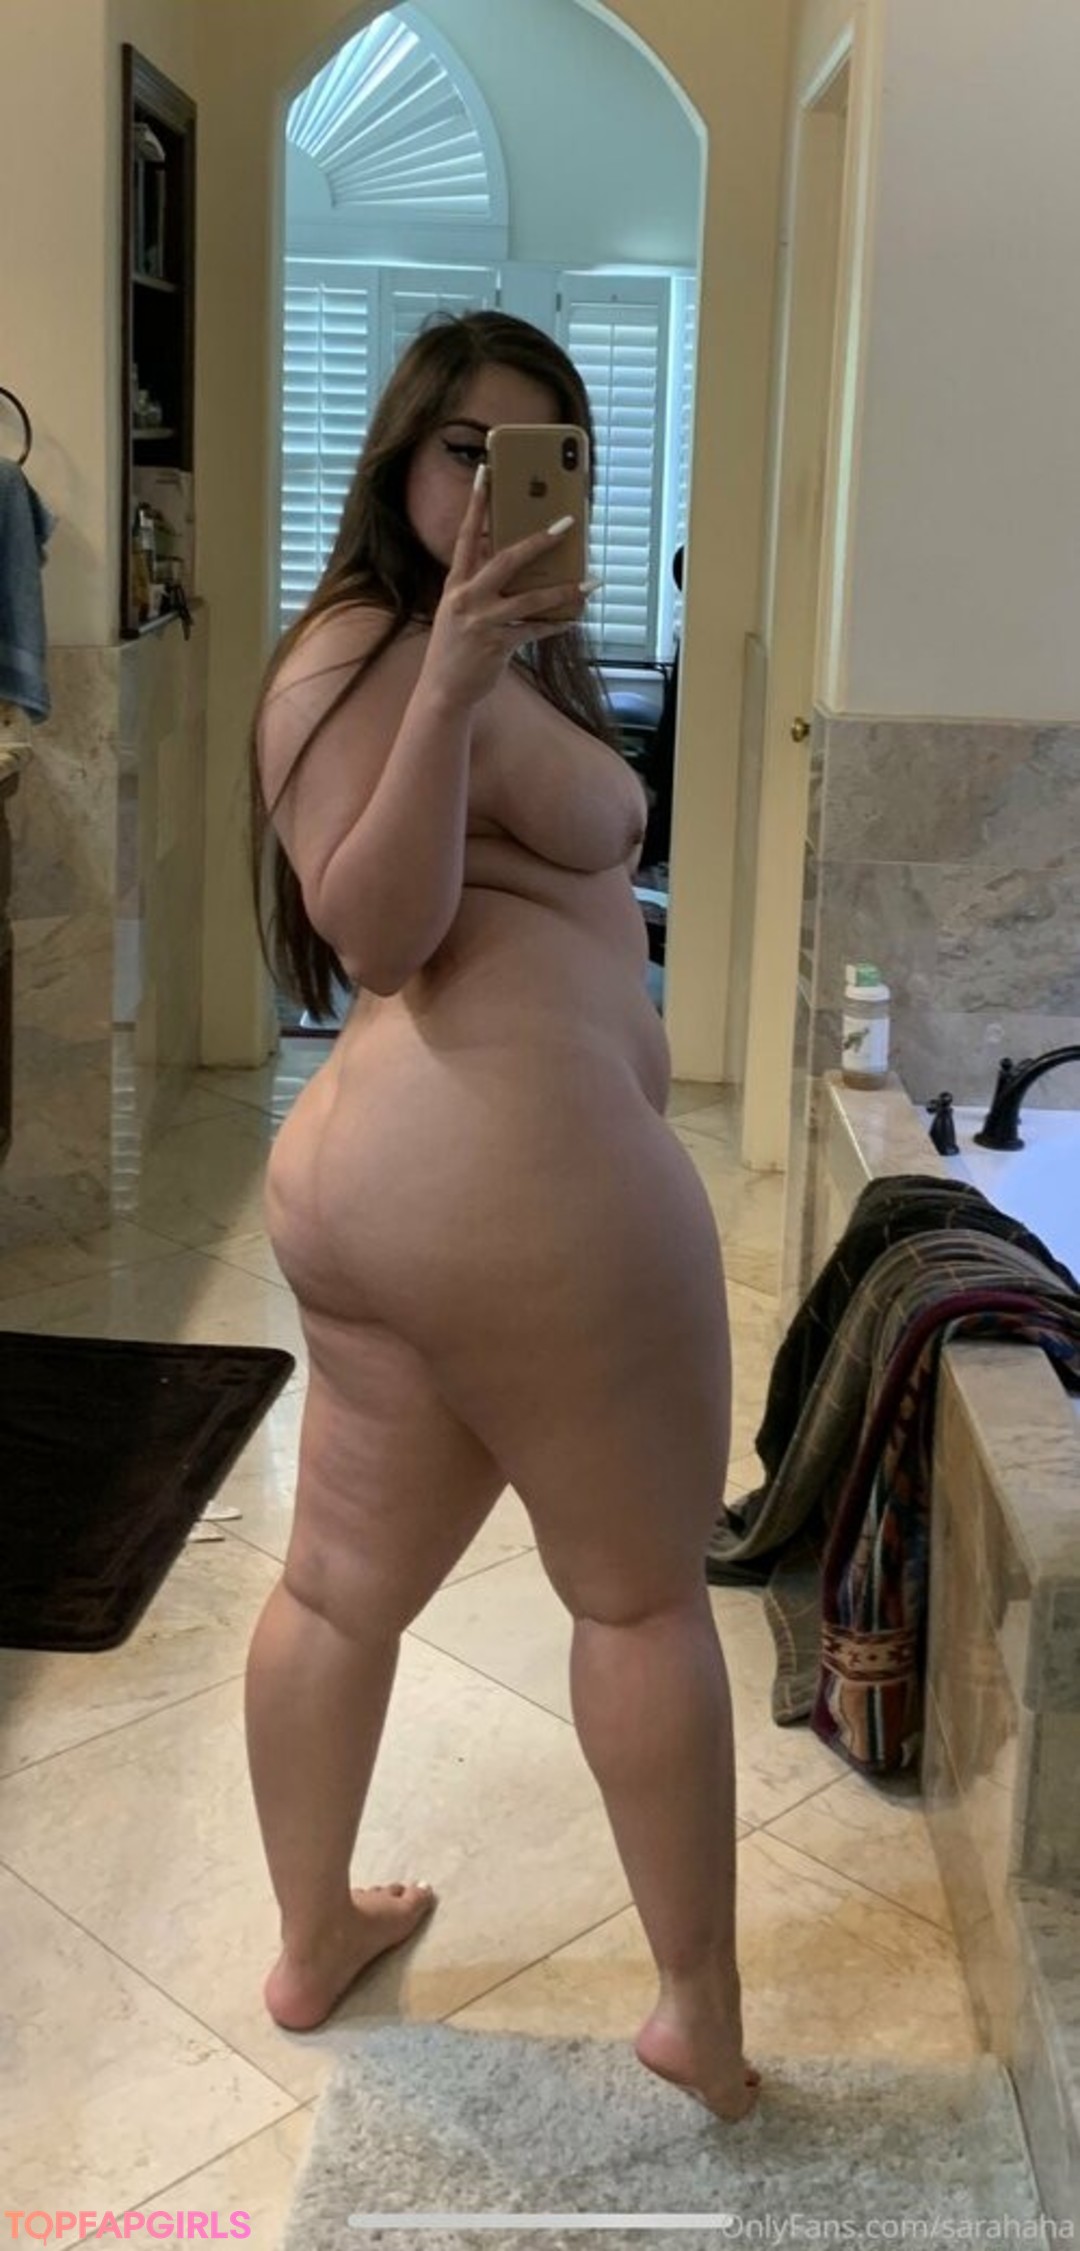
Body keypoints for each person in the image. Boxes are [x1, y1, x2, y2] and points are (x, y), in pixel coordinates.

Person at [246, 311, 760, 2123]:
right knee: (640, 1605)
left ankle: (314, 1937)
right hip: (521, 1198)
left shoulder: (465, 648)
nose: (491, 486)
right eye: (463, 447)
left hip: (396, 1203)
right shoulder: (369, 649)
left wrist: (492, 665)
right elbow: (376, 931)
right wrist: (461, 678)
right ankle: (697, 2015)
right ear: (399, 454)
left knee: (337, 1588)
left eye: (539, 457)